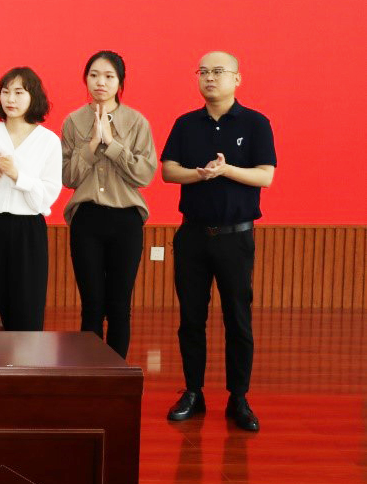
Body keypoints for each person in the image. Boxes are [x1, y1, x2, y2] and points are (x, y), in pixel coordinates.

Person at [161, 51, 275, 432]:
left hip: (235, 237)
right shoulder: (185, 123)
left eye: (218, 71)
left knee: (237, 319)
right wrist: (199, 174)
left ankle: (238, 397)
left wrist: (226, 170)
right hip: (192, 235)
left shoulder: (256, 123)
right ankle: (193, 392)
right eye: (204, 72)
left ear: (237, 78)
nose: (210, 78)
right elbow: (168, 171)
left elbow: (265, 176)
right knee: (191, 318)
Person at [61, 51, 157, 358]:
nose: (100, 82)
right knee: (91, 305)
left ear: (120, 82)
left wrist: (112, 145)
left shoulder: (137, 122)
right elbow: (67, 177)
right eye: (93, 75)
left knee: (119, 305)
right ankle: (91, 375)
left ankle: (117, 375)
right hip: (87, 219)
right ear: (85, 79)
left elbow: (144, 174)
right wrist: (92, 144)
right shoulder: (73, 122)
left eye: (108, 76)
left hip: (126, 220)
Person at [0, 67, 61, 331]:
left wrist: (18, 176)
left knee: (27, 304)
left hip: (29, 230)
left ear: (34, 97)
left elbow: (47, 197)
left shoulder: (49, 141)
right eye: (5, 92)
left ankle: (25, 357)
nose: (10, 99)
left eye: (19, 92)